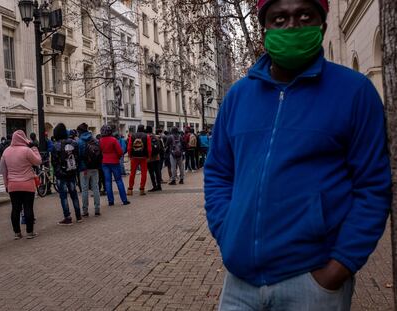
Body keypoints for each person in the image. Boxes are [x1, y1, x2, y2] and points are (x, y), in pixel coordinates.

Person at [204, 0, 392, 310]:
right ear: (264, 30)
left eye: (305, 16)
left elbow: (373, 186)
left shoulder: (355, 92)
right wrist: (228, 232)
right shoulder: (238, 97)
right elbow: (219, 173)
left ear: (323, 25)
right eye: (279, 18)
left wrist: (339, 267)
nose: (292, 26)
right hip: (239, 285)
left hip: (312, 282)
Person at [0, 130, 42, 239]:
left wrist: (6, 185)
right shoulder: (27, 150)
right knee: (28, 207)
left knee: (15, 209)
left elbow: (4, 171)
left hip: (13, 185)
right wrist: (35, 149)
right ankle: (29, 232)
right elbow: (38, 161)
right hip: (27, 184)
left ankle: (17, 233)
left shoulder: (6, 152)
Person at [51, 123, 82, 225]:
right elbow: (77, 157)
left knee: (64, 196)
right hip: (72, 172)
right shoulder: (74, 143)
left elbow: (54, 162)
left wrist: (58, 172)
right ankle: (78, 215)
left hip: (61, 174)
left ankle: (67, 217)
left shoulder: (55, 146)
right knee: (74, 194)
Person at [99, 125, 130, 206]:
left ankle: (110, 201)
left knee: (108, 182)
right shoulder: (113, 140)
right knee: (119, 181)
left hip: (105, 162)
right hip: (114, 161)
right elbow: (120, 151)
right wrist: (118, 157)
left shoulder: (100, 140)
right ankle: (124, 200)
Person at [77, 123, 101, 217]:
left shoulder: (80, 142)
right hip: (95, 167)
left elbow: (79, 155)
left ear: (80, 132)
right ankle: (97, 209)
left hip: (84, 168)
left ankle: (85, 210)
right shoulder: (94, 140)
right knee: (96, 187)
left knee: (85, 189)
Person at [127, 125, 152, 195]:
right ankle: (142, 189)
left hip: (134, 157)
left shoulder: (132, 136)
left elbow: (129, 147)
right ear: (143, 129)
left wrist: (129, 155)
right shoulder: (147, 136)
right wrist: (149, 156)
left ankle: (130, 189)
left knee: (132, 173)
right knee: (144, 173)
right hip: (143, 157)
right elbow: (149, 148)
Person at [146, 126, 162, 192]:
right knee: (157, 172)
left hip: (150, 158)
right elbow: (160, 147)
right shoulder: (156, 137)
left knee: (151, 173)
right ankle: (159, 186)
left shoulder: (147, 137)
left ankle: (154, 186)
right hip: (157, 157)